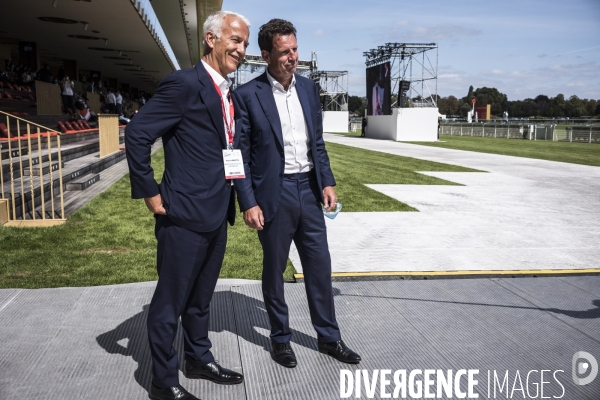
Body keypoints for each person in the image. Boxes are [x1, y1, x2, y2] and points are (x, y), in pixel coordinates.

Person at [125, 10, 250, 400]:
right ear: (211, 40)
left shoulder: (228, 92)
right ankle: (164, 382)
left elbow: (233, 150)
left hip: (216, 214)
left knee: (200, 300)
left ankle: (198, 358)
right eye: (235, 40)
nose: (242, 49)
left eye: (244, 42)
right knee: (169, 304)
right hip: (181, 216)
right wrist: (150, 193)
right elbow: (137, 135)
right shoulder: (183, 84)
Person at [234, 18, 361, 369]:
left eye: (295, 50)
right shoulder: (246, 96)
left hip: (309, 190)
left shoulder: (307, 88)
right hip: (273, 194)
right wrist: (248, 201)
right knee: (274, 270)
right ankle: (280, 339)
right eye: (284, 51)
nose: (292, 57)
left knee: (320, 266)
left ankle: (329, 338)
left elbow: (316, 143)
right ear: (266, 55)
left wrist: (327, 181)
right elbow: (239, 154)